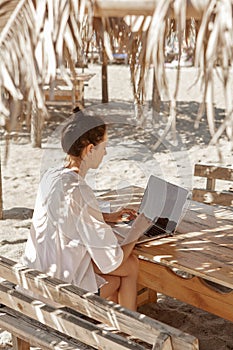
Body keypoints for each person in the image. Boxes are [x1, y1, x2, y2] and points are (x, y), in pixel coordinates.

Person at [22, 110, 139, 311]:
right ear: (90, 149)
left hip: (36, 277)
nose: (106, 152)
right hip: (57, 294)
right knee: (130, 266)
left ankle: (117, 327)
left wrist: (106, 217)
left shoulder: (51, 176)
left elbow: (68, 214)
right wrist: (137, 231)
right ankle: (130, 334)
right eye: (105, 146)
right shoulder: (80, 190)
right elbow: (111, 260)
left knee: (111, 266)